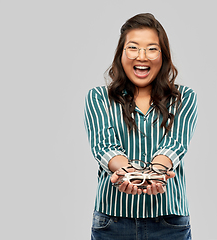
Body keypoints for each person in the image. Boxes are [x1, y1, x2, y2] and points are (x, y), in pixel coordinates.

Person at [84, 13, 197, 240]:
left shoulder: (184, 98)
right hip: (112, 221)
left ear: (163, 56)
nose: (142, 56)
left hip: (169, 221)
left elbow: (175, 144)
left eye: (152, 49)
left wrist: (153, 175)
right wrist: (130, 175)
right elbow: (104, 147)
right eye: (133, 47)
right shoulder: (99, 97)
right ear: (122, 54)